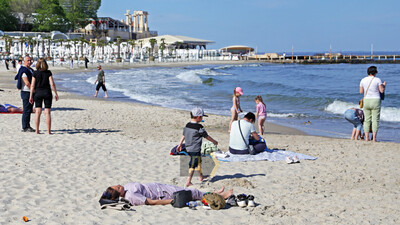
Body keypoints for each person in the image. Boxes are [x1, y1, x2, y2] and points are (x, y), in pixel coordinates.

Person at [177, 107, 218, 187]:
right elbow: (206, 136)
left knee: (198, 162)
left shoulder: (187, 125)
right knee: (192, 164)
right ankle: (188, 181)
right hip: (195, 149)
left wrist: (180, 144)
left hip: (188, 147)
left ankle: (201, 177)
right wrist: (214, 141)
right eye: (202, 117)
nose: (202, 118)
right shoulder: (199, 127)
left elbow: (183, 135)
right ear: (198, 117)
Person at [100, 182, 233, 206]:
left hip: (161, 187)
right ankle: (222, 196)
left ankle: (213, 193)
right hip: (162, 193)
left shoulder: (127, 188)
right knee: (192, 193)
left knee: (194, 192)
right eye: (117, 188)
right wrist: (171, 201)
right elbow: (150, 202)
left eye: (116, 185)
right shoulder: (131, 196)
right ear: (118, 194)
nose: (119, 185)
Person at [29, 58, 59, 134]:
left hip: (38, 93)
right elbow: (52, 84)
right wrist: (56, 93)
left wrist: (31, 96)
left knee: (38, 112)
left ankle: (37, 130)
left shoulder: (35, 73)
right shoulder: (48, 72)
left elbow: (32, 85)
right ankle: (49, 131)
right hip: (47, 93)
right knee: (47, 112)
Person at [359, 66, 386, 142]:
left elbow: (361, 92)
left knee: (366, 120)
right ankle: (374, 138)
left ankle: (366, 138)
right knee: (375, 120)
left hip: (366, 101)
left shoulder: (363, 80)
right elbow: (381, 91)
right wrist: (383, 85)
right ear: (375, 72)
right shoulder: (377, 80)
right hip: (375, 100)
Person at [15, 56, 35, 132]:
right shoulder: (23, 71)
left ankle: (28, 125)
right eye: (28, 60)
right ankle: (25, 127)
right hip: (26, 92)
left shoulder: (31, 70)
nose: (29, 62)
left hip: (30, 92)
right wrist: (33, 90)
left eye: (30, 60)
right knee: (26, 110)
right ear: (24, 61)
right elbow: (27, 83)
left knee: (29, 110)